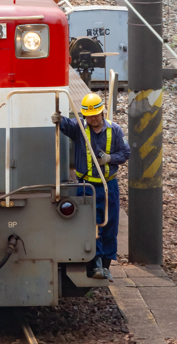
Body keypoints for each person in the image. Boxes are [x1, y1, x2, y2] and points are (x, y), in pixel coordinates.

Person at [52, 92, 130, 280]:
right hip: (86, 187)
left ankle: (106, 266)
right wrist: (58, 119)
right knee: (92, 225)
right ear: (84, 115)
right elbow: (66, 125)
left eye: (95, 114)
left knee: (110, 225)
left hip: (108, 185)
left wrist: (110, 159)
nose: (93, 118)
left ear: (102, 112)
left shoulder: (115, 130)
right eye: (89, 115)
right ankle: (95, 265)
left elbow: (125, 152)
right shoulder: (79, 128)